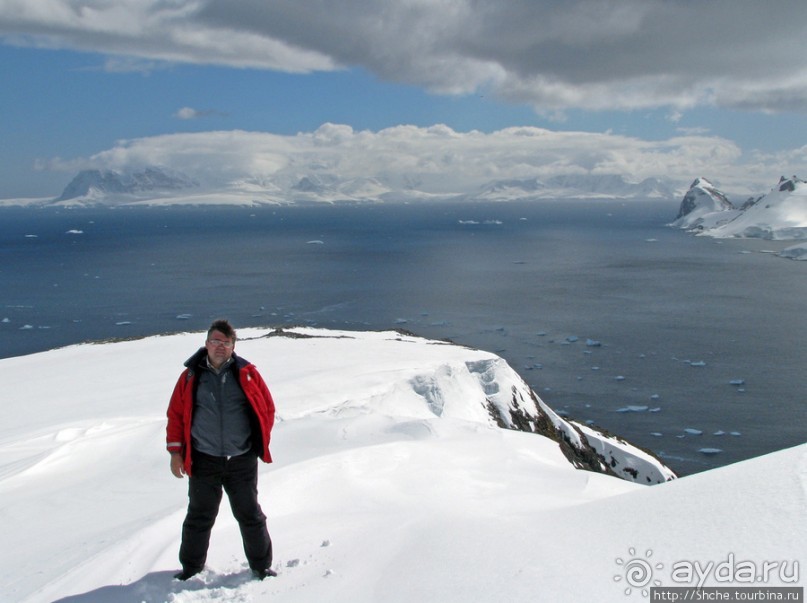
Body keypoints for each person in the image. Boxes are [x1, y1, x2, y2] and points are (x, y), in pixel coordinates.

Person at [166, 319, 277, 581]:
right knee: (199, 516)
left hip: (241, 459)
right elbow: (176, 415)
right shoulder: (191, 377)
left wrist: (256, 443)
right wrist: (175, 453)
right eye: (215, 341)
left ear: (233, 346)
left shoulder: (248, 374)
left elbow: (267, 409)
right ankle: (191, 568)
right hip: (204, 459)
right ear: (206, 344)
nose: (220, 347)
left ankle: (261, 567)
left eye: (226, 343)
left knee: (250, 515)